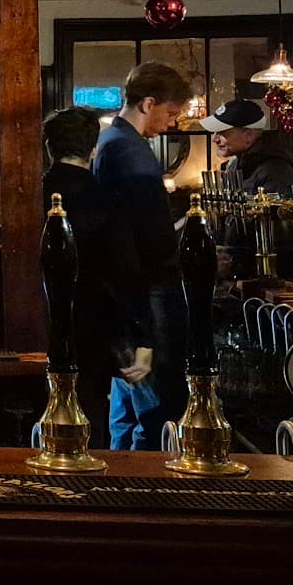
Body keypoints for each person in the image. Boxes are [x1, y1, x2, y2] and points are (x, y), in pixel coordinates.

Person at [93, 61, 192, 450]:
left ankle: (120, 483)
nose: (171, 124)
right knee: (156, 408)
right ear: (148, 104)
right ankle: (148, 491)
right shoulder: (131, 153)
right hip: (147, 291)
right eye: (170, 113)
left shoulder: (111, 143)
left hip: (125, 291)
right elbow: (148, 240)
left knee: (127, 400)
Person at [42, 107, 119, 447]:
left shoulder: (31, 193)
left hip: (41, 321)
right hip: (95, 323)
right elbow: (122, 271)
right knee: (91, 415)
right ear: (93, 150)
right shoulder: (106, 196)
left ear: (48, 147)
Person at [204, 98, 293, 198]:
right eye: (214, 132)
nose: (214, 139)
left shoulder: (276, 172)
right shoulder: (235, 165)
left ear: (248, 135)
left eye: (222, 132)